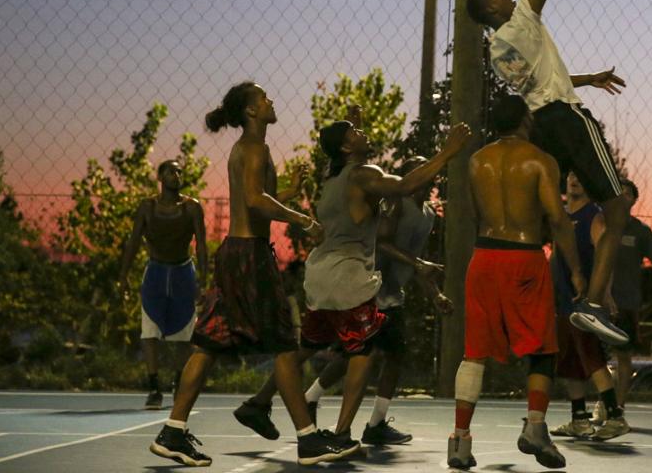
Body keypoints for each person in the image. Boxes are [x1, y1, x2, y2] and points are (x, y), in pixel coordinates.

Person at [150, 81, 356, 467]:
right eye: (263, 98)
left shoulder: (248, 149)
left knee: (210, 343)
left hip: (236, 252)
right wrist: (302, 220)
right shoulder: (253, 147)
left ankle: (173, 431)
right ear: (250, 111)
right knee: (283, 345)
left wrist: (289, 192)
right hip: (250, 256)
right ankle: (308, 439)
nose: (270, 100)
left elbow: (260, 197)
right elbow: (255, 200)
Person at [465, 0, 631, 345]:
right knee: (617, 206)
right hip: (569, 118)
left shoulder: (498, 50)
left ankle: (553, 295)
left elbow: (539, 86)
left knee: (548, 219)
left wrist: (587, 78)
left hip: (544, 125)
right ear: (491, 9)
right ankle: (595, 302)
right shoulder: (519, 16)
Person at [235, 120, 470, 448]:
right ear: (346, 148)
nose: (364, 134)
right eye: (356, 134)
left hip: (321, 276)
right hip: (347, 276)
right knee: (365, 349)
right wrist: (448, 152)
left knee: (309, 346)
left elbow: (352, 169)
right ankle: (343, 432)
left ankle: (257, 403)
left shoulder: (334, 177)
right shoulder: (363, 174)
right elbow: (403, 185)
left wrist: (352, 126)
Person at [447, 94, 586, 470]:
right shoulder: (541, 160)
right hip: (523, 257)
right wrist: (575, 269)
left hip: (484, 257)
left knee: (473, 351)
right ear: (526, 120)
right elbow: (558, 219)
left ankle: (459, 441)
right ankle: (535, 427)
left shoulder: (477, 161)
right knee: (542, 347)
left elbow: (475, 213)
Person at [300, 155, 456, 445]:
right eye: (415, 170)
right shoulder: (396, 205)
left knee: (388, 354)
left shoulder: (428, 215)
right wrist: (419, 263)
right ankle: (319, 405)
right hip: (370, 288)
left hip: (392, 292)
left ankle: (370, 421)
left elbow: (414, 263)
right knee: (360, 354)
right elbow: (381, 242)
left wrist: (436, 294)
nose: (424, 174)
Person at [117, 159, 208, 409]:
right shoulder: (147, 207)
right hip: (155, 271)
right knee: (150, 331)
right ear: (160, 177)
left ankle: (178, 383)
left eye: (180, 171)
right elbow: (134, 241)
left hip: (182, 272)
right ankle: (154, 386)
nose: (176, 175)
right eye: (171, 171)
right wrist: (122, 276)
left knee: (185, 333)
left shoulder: (191, 207)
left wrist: (205, 278)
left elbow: (200, 244)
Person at [549, 172, 629, 441]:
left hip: (583, 303)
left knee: (592, 359)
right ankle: (579, 420)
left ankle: (616, 418)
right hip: (562, 299)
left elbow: (607, 258)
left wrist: (604, 294)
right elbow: (555, 255)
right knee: (569, 362)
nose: (575, 179)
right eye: (571, 175)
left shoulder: (593, 216)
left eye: (580, 177)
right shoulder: (560, 215)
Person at [608, 178, 652, 413]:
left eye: (628, 193)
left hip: (626, 303)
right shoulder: (601, 224)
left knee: (623, 356)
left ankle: (618, 405)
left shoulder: (640, 231)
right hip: (599, 301)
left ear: (634, 200)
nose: (623, 197)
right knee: (594, 357)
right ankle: (601, 402)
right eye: (619, 192)